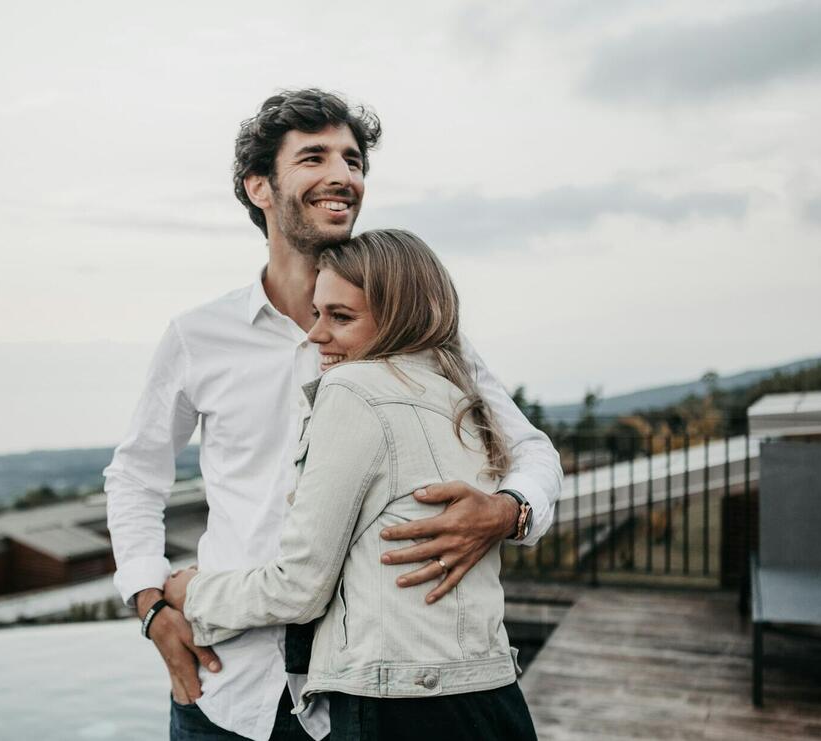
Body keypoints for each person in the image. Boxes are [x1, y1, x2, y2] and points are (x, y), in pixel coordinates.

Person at [104, 89, 562, 741]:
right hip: (226, 688)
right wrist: (152, 605)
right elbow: (135, 478)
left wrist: (510, 509)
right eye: (315, 157)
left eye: (353, 160)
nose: (343, 175)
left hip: (362, 703)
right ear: (259, 186)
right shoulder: (197, 335)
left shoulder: (421, 337)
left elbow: (533, 450)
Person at [163, 229, 538, 740]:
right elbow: (535, 451)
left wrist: (193, 594)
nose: (316, 335)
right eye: (318, 313)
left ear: (401, 316)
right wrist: (513, 509)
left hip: (399, 705)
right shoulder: (459, 394)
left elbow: (300, 587)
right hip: (493, 692)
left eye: (341, 317)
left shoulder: (352, 389)